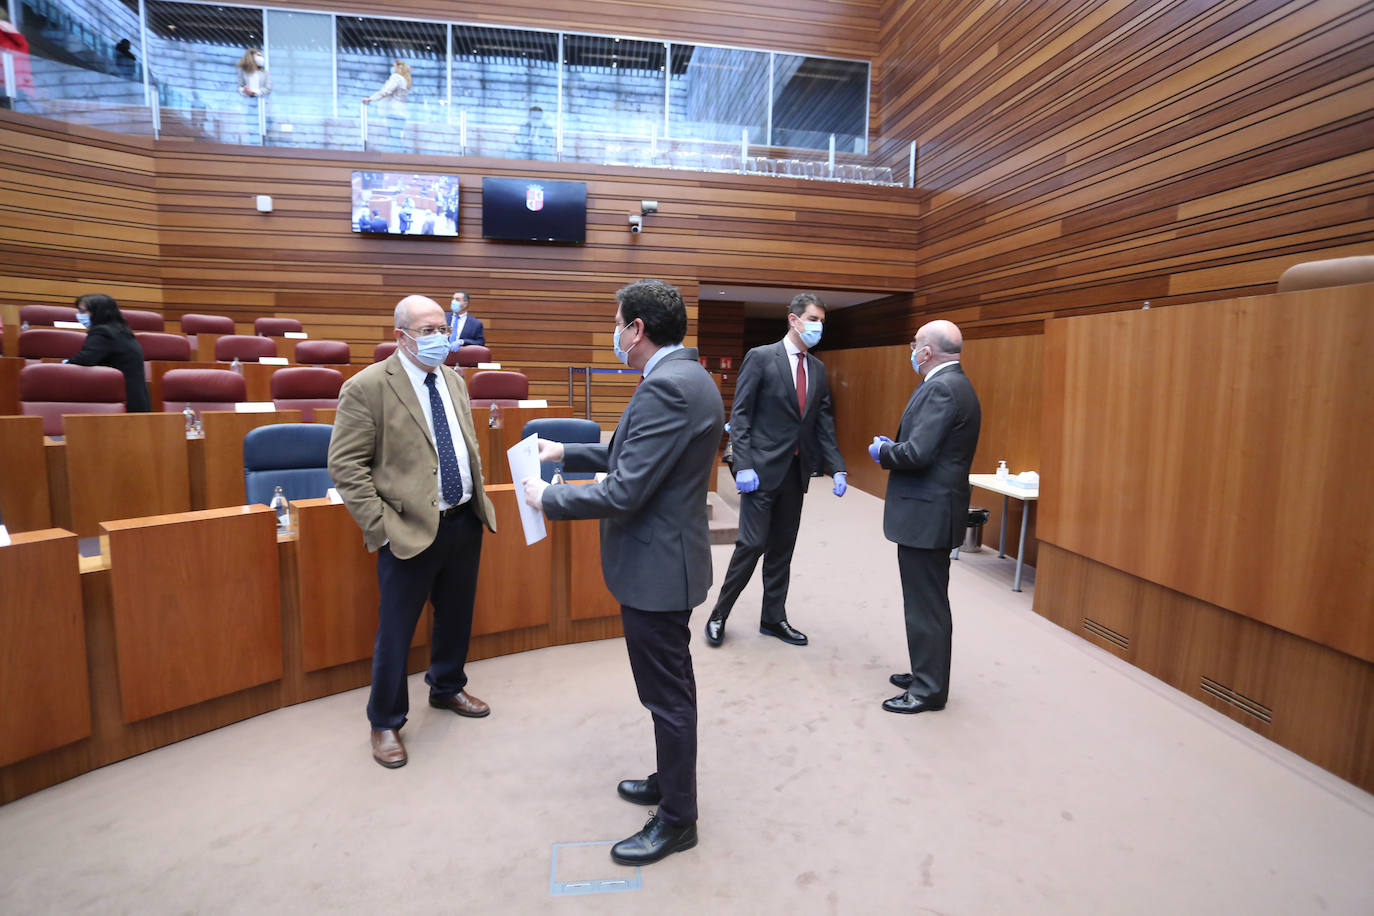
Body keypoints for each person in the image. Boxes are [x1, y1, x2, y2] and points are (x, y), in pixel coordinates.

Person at [521, 279, 723, 867]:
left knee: (668, 696)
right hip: (665, 559)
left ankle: (679, 821)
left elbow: (628, 487)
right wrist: (568, 452)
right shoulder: (686, 377)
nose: (614, 332)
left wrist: (545, 499)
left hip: (658, 567)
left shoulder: (668, 388)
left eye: (617, 322)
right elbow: (632, 452)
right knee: (668, 690)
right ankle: (669, 780)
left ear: (636, 329)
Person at [327, 295, 498, 768]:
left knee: (456, 617)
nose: (439, 337)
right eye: (427, 330)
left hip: (462, 520)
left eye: (442, 327)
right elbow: (346, 466)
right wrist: (380, 529)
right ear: (400, 335)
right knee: (397, 632)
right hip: (406, 529)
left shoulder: (455, 381)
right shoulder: (366, 387)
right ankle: (385, 721)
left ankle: (446, 687)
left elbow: (463, 445)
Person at [705, 293, 847, 649]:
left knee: (782, 548)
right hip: (761, 471)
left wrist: (839, 467)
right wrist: (745, 465)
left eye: (822, 322)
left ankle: (773, 618)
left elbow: (823, 421)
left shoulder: (817, 368)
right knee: (751, 544)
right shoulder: (762, 357)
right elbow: (740, 415)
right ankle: (719, 614)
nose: (818, 327)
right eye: (813, 319)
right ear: (794, 320)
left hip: (796, 472)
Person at [868, 319, 980, 715]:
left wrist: (884, 451)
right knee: (925, 601)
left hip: (927, 515)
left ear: (927, 351)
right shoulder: (951, 384)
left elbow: (918, 453)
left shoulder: (943, 389)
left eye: (914, 344)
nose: (912, 351)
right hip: (931, 511)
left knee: (926, 605)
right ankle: (924, 672)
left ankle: (929, 690)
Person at [65, 293, 151, 412]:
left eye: (83, 311)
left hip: (122, 403)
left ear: (98, 312)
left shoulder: (102, 332)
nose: (79, 315)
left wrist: (65, 364)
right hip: (136, 400)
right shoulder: (122, 330)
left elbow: (85, 359)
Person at [363, 60, 410, 153]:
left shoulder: (396, 77)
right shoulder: (405, 80)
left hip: (394, 112)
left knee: (394, 137)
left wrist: (371, 98)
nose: (392, 68)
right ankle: (401, 155)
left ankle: (398, 157)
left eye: (394, 66)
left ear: (397, 68)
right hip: (402, 112)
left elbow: (386, 91)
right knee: (396, 136)